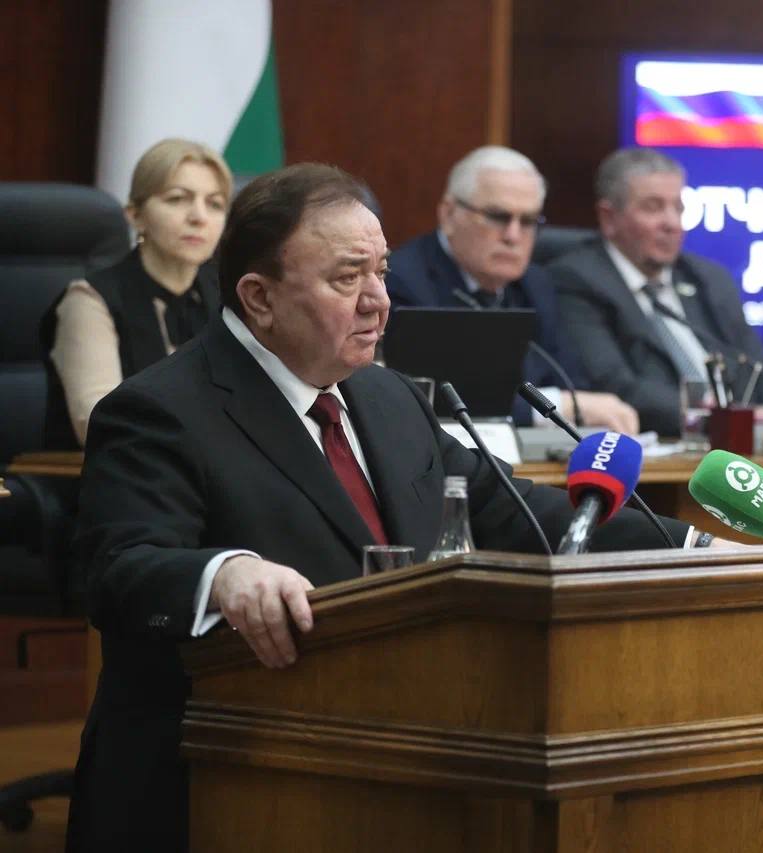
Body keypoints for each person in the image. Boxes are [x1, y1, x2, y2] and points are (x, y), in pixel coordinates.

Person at [66, 163, 703, 851]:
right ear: (259, 297)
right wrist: (223, 573)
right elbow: (116, 571)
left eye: (383, 272)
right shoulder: (160, 410)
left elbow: (513, 509)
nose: (379, 301)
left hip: (388, 767)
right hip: (215, 785)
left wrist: (693, 549)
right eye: (348, 278)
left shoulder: (387, 395)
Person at [386, 145, 638, 433]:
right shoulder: (403, 283)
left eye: (528, 221)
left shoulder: (535, 284)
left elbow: (573, 383)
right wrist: (555, 406)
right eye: (498, 216)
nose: (513, 236)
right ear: (449, 214)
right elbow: (429, 400)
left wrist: (572, 403)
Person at [548, 147, 763, 437]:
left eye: (678, 208)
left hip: (737, 445)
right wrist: (715, 419)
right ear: (609, 218)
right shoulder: (576, 279)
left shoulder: (708, 279)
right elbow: (615, 387)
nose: (672, 223)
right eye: (653, 208)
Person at [42, 137, 231, 448]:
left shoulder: (230, 295)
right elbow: (101, 424)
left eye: (215, 204)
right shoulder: (89, 300)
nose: (199, 217)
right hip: (117, 472)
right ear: (135, 215)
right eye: (177, 199)